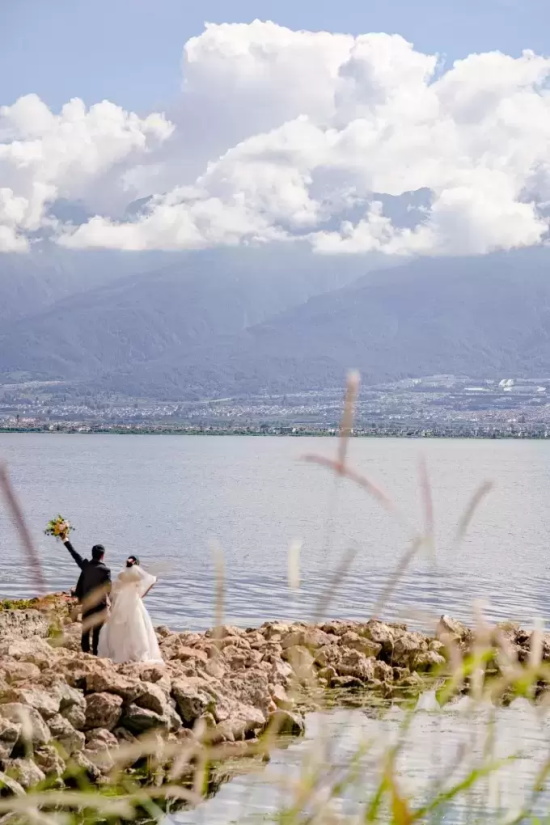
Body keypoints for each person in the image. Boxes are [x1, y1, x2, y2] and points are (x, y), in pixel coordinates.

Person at [97, 555, 162, 665]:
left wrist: (112, 603)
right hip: (134, 603)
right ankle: (136, 653)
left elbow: (114, 590)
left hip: (121, 604)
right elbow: (151, 580)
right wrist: (142, 593)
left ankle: (118, 652)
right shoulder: (137, 576)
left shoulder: (121, 575)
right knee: (137, 628)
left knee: (120, 628)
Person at [61, 534, 111, 656]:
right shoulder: (106, 571)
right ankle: (95, 652)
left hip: (87, 603)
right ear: (103, 556)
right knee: (97, 631)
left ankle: (85, 652)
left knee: (86, 629)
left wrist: (65, 539)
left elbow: (74, 554)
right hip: (100, 604)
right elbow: (108, 589)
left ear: (92, 554)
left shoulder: (86, 566)